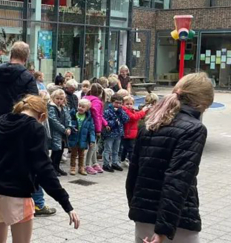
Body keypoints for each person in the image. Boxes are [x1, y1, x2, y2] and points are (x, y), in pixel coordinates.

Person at [0, 95, 80, 243]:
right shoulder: (35, 129)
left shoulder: (1, 121)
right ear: (42, 116)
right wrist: (66, 203)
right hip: (19, 197)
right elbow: (44, 169)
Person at [127, 73, 213, 243]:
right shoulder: (194, 129)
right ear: (200, 103)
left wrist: (138, 209)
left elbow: (133, 175)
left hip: (144, 215)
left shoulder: (151, 123)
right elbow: (178, 180)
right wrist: (163, 231)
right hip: (175, 223)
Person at [0, 41, 54, 216]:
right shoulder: (27, 77)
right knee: (31, 162)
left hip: (1, 123)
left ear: (11, 54)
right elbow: (35, 104)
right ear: (26, 57)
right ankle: (39, 203)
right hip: (23, 125)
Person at [102, 92, 129, 172]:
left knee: (116, 149)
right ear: (112, 102)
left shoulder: (121, 111)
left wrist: (120, 112)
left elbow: (126, 119)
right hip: (110, 133)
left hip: (118, 133)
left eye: (120, 103)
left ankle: (115, 163)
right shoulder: (107, 111)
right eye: (116, 103)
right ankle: (106, 164)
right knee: (108, 149)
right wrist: (114, 122)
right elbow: (106, 122)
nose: (118, 105)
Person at [68, 99, 95, 175]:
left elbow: (91, 130)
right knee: (73, 154)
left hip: (83, 140)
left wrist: (92, 140)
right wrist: (72, 128)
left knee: (82, 155)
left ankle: (81, 168)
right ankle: (72, 167)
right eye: (79, 106)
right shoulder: (73, 115)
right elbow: (69, 124)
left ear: (87, 109)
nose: (80, 108)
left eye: (83, 107)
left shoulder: (89, 118)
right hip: (74, 138)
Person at [83, 84, 107, 173]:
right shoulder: (97, 101)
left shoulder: (86, 97)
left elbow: (99, 116)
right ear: (100, 93)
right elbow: (97, 116)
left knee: (94, 145)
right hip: (92, 126)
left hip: (86, 124)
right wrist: (98, 130)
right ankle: (88, 165)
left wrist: (105, 123)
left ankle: (94, 163)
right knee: (93, 145)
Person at [47, 89, 71, 176]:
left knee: (60, 150)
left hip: (63, 133)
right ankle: (52, 168)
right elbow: (53, 120)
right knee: (55, 151)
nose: (59, 100)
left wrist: (69, 127)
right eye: (57, 98)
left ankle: (57, 167)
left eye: (61, 99)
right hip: (55, 132)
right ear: (53, 98)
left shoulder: (64, 107)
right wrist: (64, 129)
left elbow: (68, 118)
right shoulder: (51, 107)